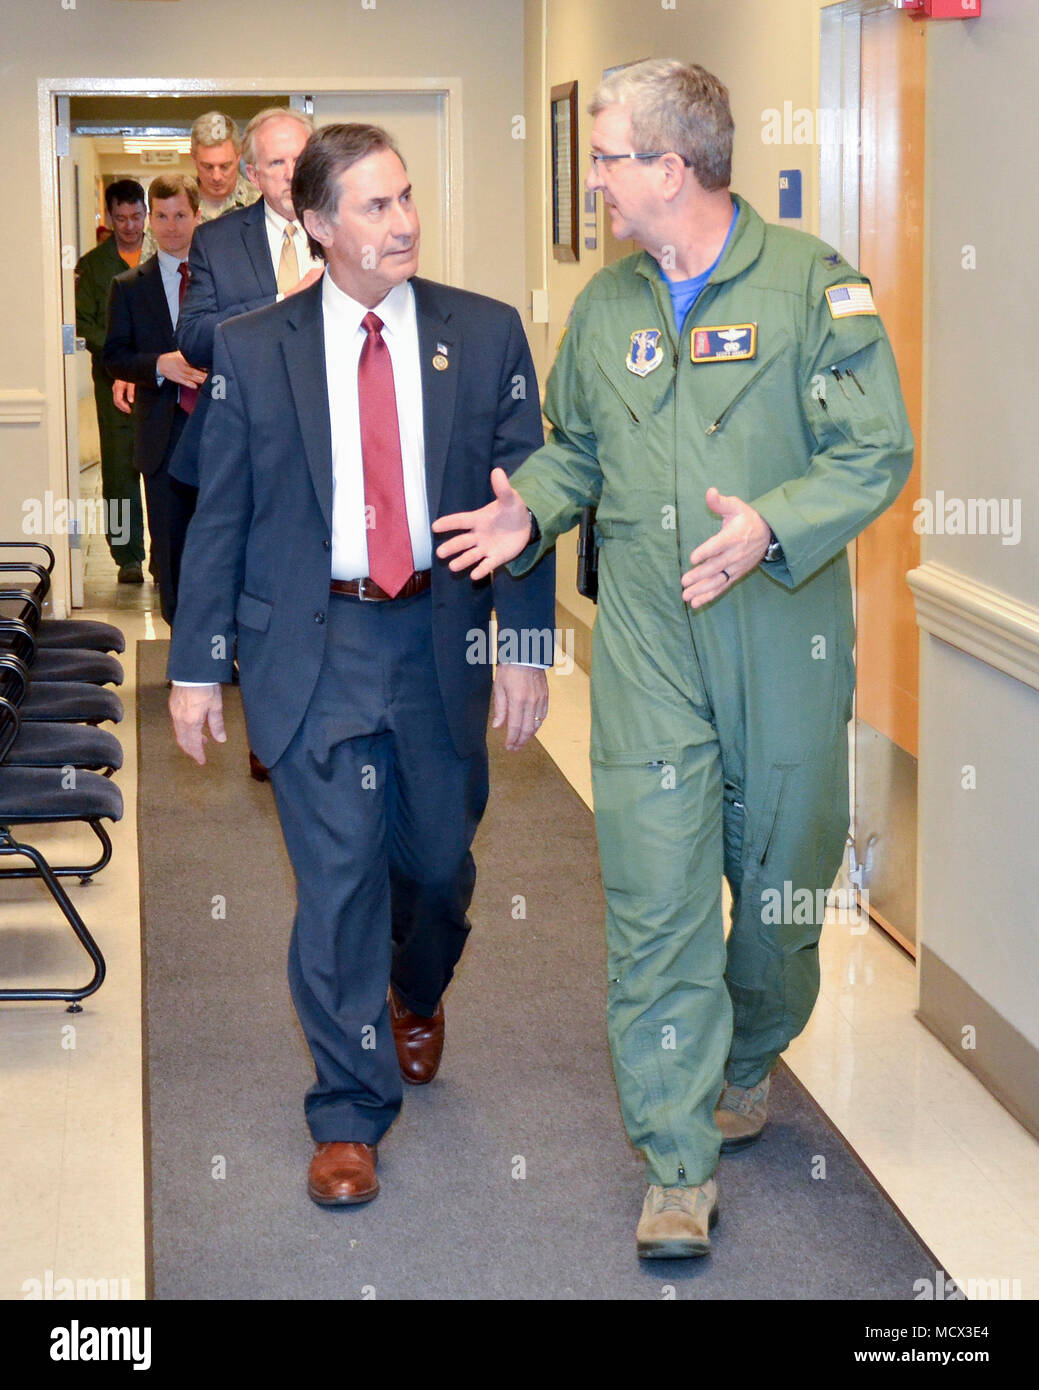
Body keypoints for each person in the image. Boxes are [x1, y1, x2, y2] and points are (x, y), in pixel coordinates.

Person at [434, 59, 913, 1260]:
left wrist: (771, 524)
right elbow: (577, 451)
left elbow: (875, 452)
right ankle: (675, 1160)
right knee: (655, 908)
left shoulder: (815, 289)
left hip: (784, 643)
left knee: (782, 892)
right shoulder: (605, 309)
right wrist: (527, 510)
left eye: (605, 158)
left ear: (670, 167)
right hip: (648, 647)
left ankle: (749, 1049)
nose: (593, 179)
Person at [167, 123, 555, 1210]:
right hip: (313, 646)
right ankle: (346, 1108)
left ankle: (416, 986)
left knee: (434, 866)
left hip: (439, 640)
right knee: (333, 882)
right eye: (376, 207)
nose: (404, 223)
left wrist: (523, 642)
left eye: (408, 198)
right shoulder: (254, 345)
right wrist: (197, 665)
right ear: (319, 223)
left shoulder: (483, 335)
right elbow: (223, 515)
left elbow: (524, 494)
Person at [103, 175, 207, 625]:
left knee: (220, 546)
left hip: (219, 429)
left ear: (197, 216)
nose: (170, 226)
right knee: (170, 549)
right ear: (151, 220)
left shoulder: (220, 282)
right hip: (163, 435)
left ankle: (228, 650)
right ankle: (185, 658)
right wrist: (157, 366)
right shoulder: (128, 286)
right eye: (161, 216)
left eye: (180, 215)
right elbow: (115, 358)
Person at [74, 178, 149, 583]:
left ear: (145, 213)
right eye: (120, 218)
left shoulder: (165, 256)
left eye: (136, 216)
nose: (129, 226)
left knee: (162, 471)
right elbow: (84, 324)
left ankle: (166, 557)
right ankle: (128, 557)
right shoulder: (94, 265)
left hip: (160, 381)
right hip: (113, 383)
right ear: (109, 217)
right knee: (120, 473)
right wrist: (122, 357)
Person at [141, 112, 259, 259]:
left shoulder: (260, 204)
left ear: (238, 157)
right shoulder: (172, 207)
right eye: (208, 167)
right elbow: (146, 275)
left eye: (225, 166)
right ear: (193, 158)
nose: (216, 176)